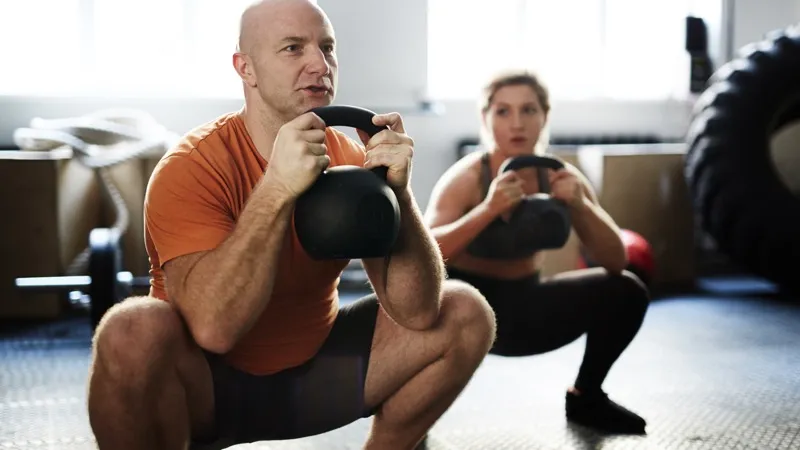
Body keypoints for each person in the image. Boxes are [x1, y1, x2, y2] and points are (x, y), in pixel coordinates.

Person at [85, 1, 497, 449]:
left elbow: (417, 312)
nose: (319, 64)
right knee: (131, 329)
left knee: (464, 311)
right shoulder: (192, 166)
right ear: (246, 68)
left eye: (327, 48)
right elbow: (213, 330)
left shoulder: (351, 159)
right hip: (206, 393)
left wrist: (398, 193)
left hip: (317, 381)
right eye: (293, 48)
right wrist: (277, 187)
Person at [424, 70, 650, 434]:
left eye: (529, 110)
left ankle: (586, 397)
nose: (517, 123)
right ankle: (411, 417)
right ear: (485, 118)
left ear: (545, 116)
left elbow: (615, 260)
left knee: (627, 290)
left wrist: (581, 206)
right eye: (503, 111)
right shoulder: (467, 178)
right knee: (412, 303)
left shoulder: (560, 176)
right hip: (460, 313)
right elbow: (423, 256)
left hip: (524, 308)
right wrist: (488, 209)